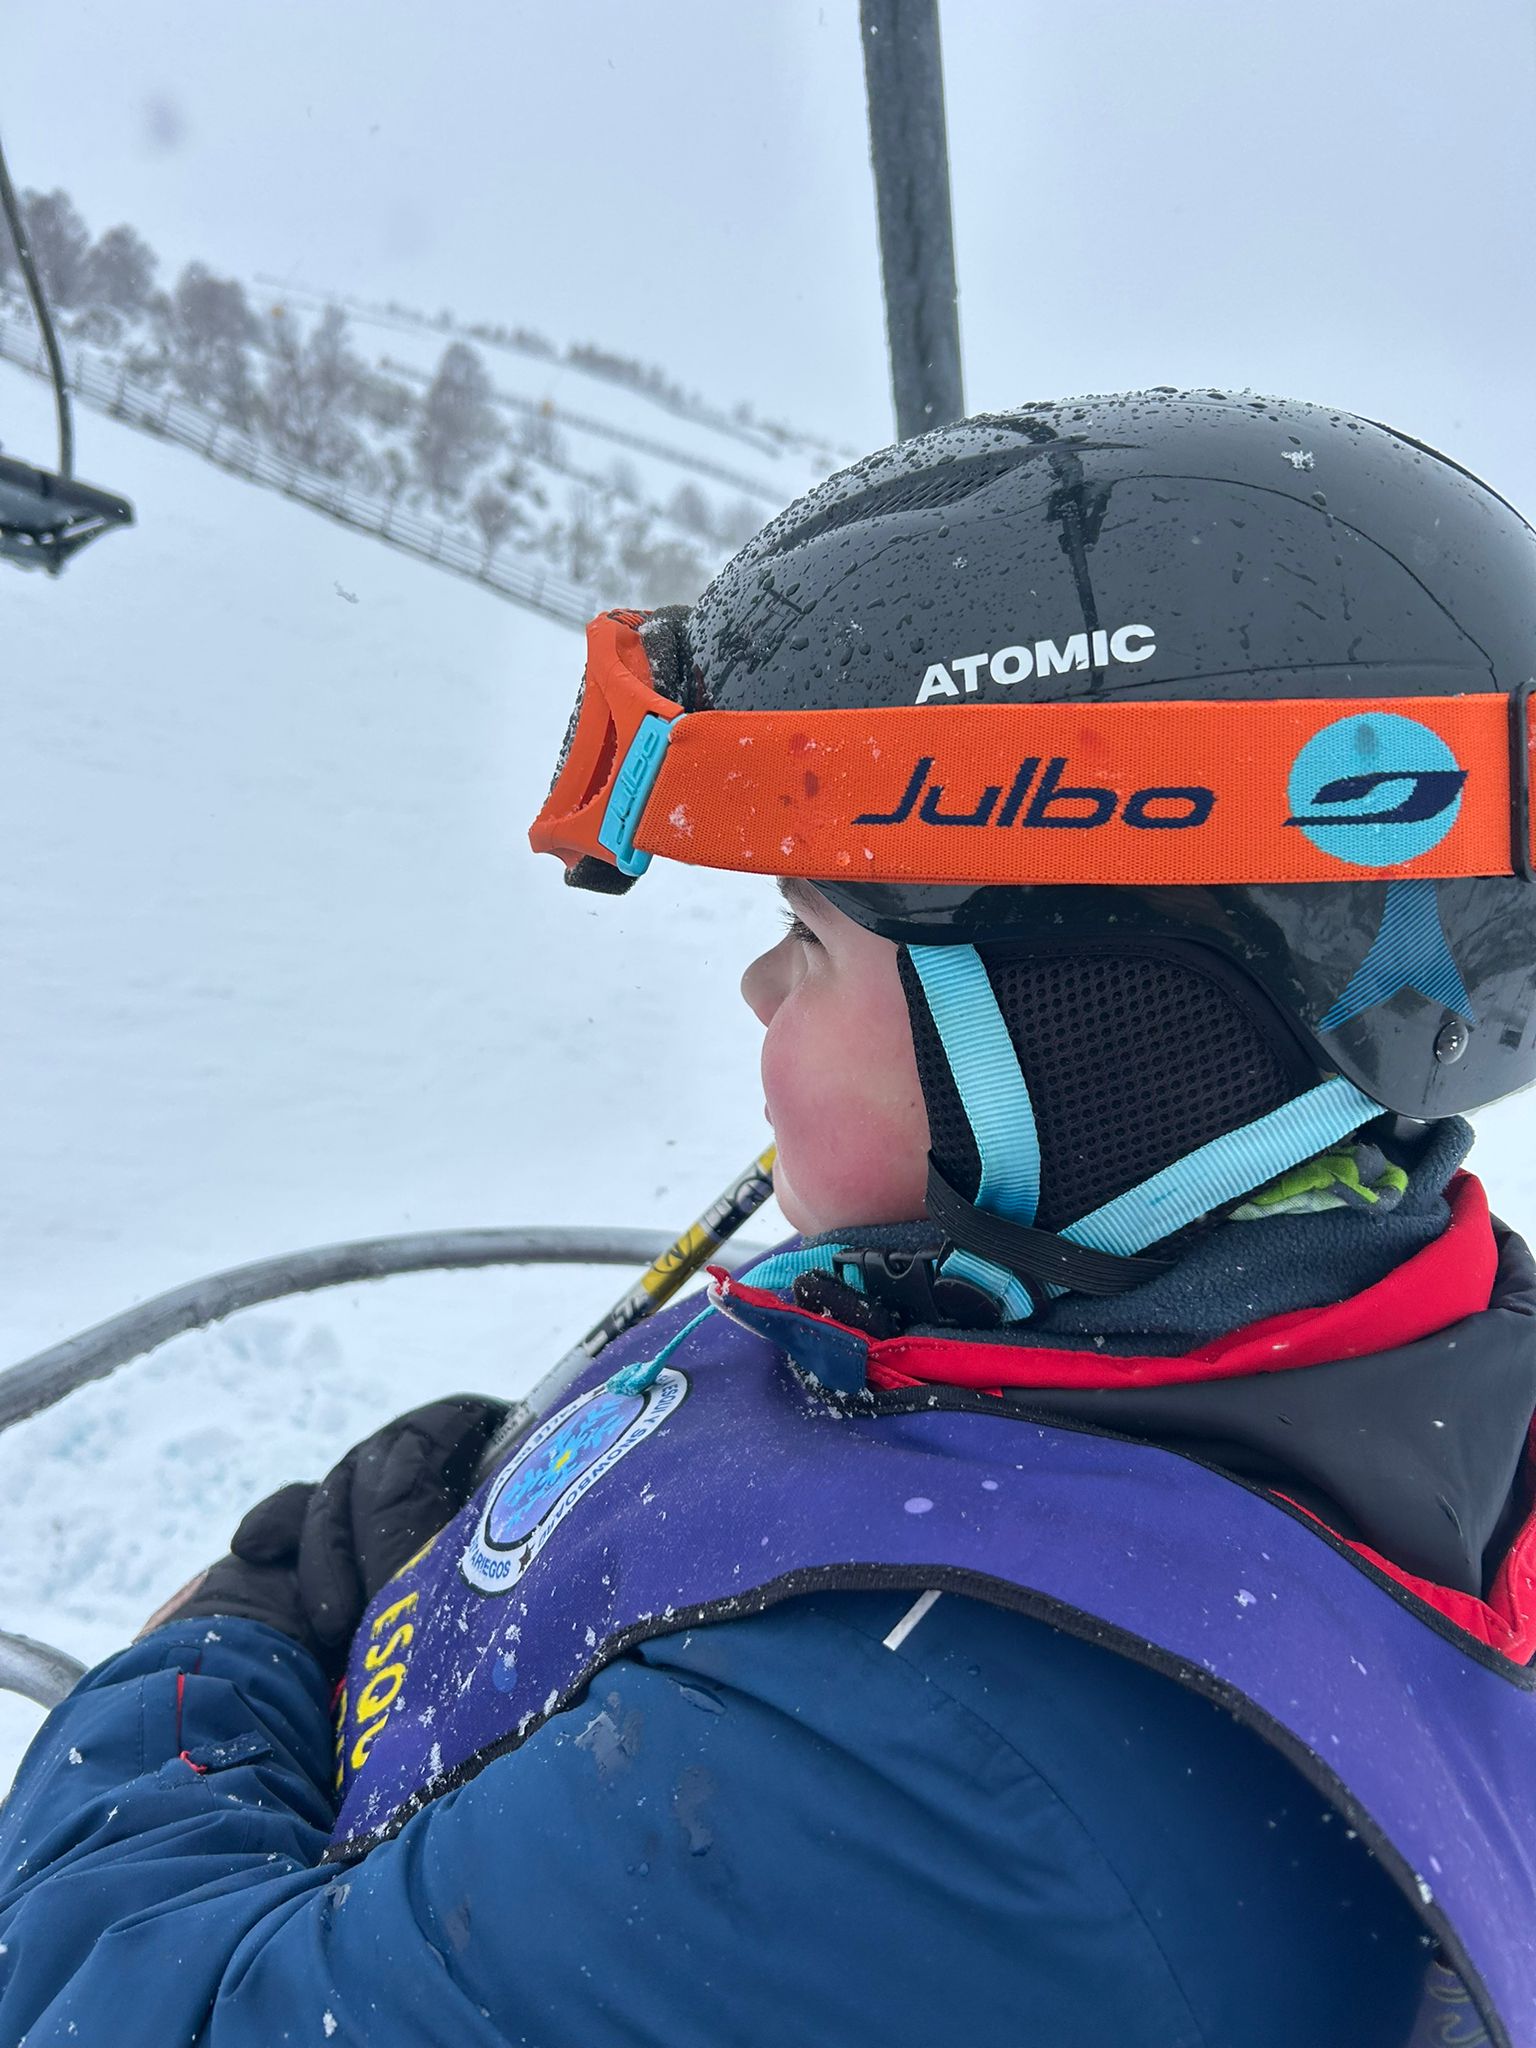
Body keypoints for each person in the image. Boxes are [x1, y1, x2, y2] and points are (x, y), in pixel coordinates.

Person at [3, 390, 1534, 2048]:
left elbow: (145, 2018)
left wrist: (214, 1668)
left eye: (808, 938)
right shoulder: (1152, 1331)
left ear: (1096, 1038)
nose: (754, 984)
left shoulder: (943, 1773)